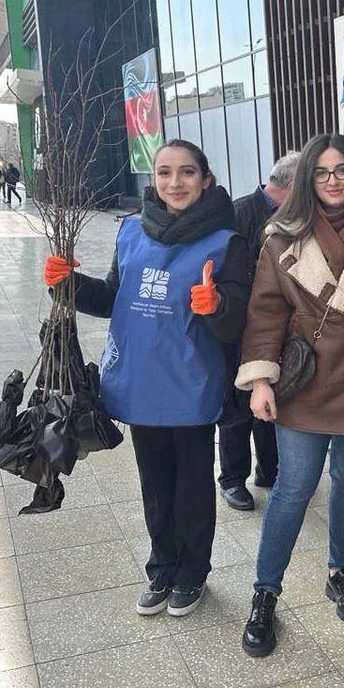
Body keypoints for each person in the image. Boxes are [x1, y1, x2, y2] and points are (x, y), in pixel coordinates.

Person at [44, 139, 250, 617]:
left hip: (192, 384)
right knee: (154, 483)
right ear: (152, 179)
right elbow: (114, 296)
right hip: (140, 381)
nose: (175, 183)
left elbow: (238, 321)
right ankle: (162, 568)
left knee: (193, 484)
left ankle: (193, 573)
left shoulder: (226, 241)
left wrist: (217, 305)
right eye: (164, 173)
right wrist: (67, 284)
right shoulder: (132, 232)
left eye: (186, 173)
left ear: (205, 179)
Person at [235, 133, 344, 656]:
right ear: (307, 179)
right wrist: (261, 379)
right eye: (322, 172)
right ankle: (265, 593)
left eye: (342, 170)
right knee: (293, 488)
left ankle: (340, 572)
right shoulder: (281, 238)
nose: (332, 181)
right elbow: (266, 311)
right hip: (305, 382)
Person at [216, 151, 300, 511]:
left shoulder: (293, 217)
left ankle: (270, 471)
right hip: (237, 328)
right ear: (292, 186)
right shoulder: (239, 213)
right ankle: (232, 479)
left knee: (270, 402)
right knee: (236, 409)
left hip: (273, 328)